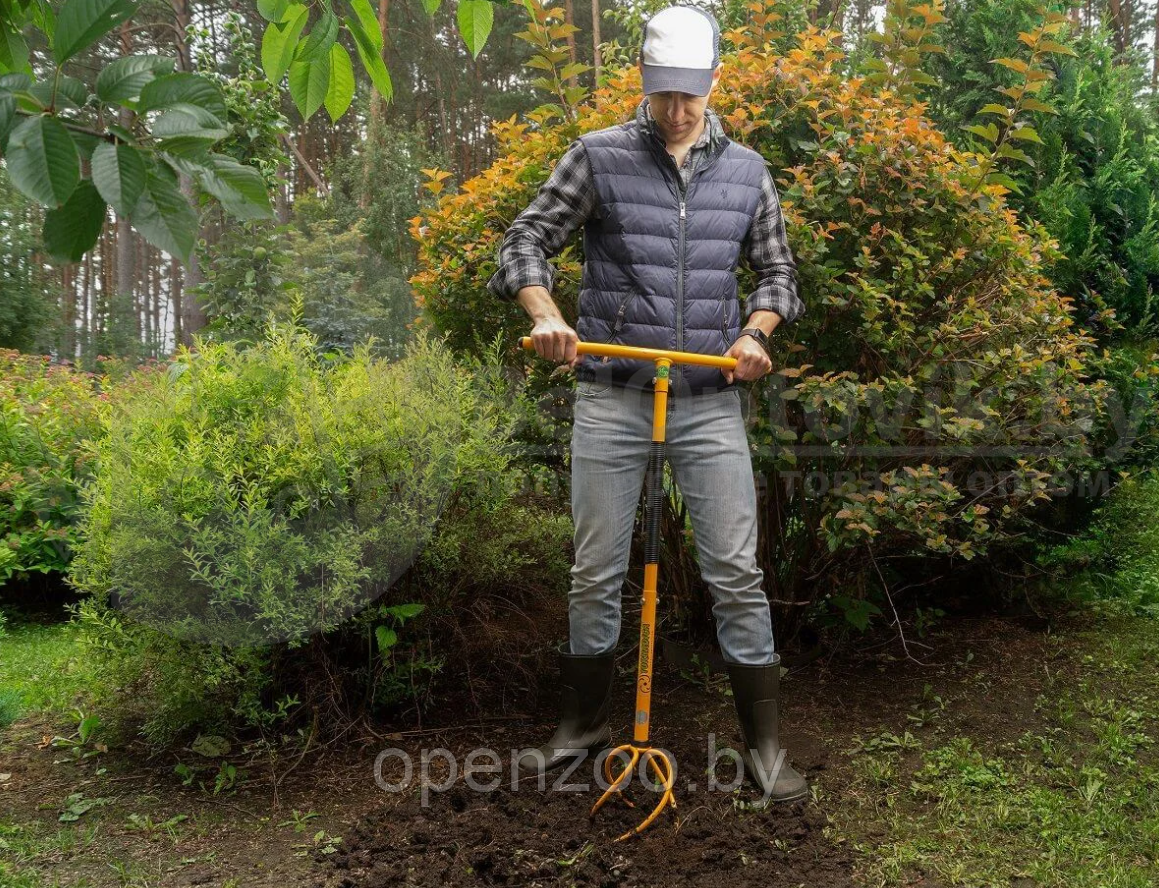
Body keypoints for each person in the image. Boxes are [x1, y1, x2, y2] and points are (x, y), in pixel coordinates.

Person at [487, 4, 807, 801]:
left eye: (688, 96)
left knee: (734, 569)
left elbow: (777, 277)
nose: (675, 112)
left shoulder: (748, 172)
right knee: (595, 569)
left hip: (706, 398)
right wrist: (548, 315)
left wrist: (756, 333)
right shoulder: (596, 158)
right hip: (611, 395)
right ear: (644, 83)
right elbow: (522, 242)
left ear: (712, 83)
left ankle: (763, 749)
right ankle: (582, 726)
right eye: (662, 95)